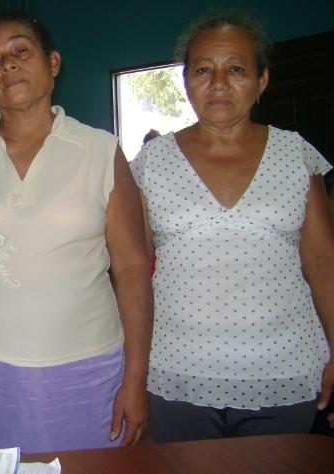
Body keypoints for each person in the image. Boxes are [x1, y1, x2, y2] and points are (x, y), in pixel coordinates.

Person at [0, 11, 153, 454]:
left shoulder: (101, 151)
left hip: (88, 370)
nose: (7, 64)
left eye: (21, 51)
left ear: (53, 63)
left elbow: (133, 268)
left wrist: (136, 380)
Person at [130, 11, 334, 443]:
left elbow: (323, 262)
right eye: (203, 70)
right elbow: (133, 272)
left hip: (284, 371)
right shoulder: (152, 162)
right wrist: (130, 368)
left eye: (236, 69)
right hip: (176, 373)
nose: (219, 83)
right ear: (186, 81)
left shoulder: (295, 154)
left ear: (262, 80)